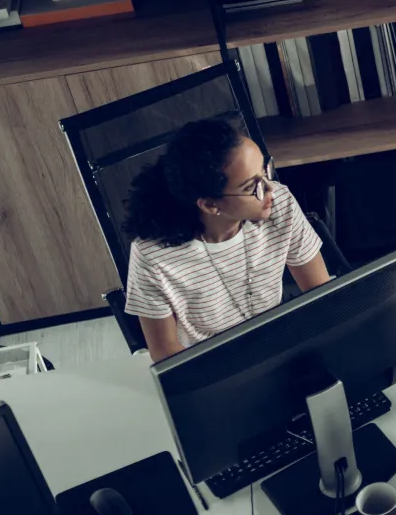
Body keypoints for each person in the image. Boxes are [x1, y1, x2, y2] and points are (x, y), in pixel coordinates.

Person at [123, 119, 329, 362]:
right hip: (211, 365)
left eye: (265, 171)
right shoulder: (152, 256)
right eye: (253, 186)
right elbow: (165, 353)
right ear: (210, 204)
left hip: (280, 346)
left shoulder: (279, 204)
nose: (270, 188)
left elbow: (321, 295)